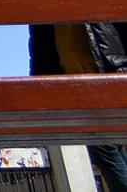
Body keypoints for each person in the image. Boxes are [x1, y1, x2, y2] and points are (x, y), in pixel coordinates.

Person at [30, 22, 127, 192]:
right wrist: (38, 91)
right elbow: (39, 50)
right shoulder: (45, 9)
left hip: (109, 77)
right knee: (106, 150)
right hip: (82, 91)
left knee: (107, 151)